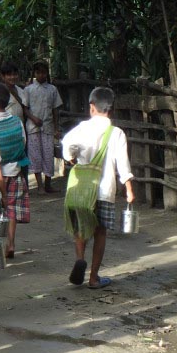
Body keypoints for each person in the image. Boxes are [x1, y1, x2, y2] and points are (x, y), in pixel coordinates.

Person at [62, 87, 134, 289]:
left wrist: (72, 158)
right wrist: (129, 188)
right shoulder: (117, 133)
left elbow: (67, 145)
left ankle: (79, 258)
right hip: (104, 190)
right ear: (111, 110)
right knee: (100, 232)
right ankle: (94, 277)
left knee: (81, 228)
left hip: (82, 189)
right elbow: (123, 164)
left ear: (91, 107)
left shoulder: (82, 129)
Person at [0, 82, 30, 259]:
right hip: (14, 171)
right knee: (11, 207)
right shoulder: (16, 122)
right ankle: (11, 242)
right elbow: (23, 143)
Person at [22, 60, 63, 194]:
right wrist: (33, 119)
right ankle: (40, 186)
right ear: (34, 73)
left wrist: (56, 127)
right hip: (33, 128)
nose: (41, 75)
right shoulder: (28, 90)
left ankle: (48, 184)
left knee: (48, 155)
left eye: (43, 72)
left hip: (48, 127)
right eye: (38, 72)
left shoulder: (52, 89)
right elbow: (25, 108)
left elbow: (55, 110)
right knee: (35, 156)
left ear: (47, 73)